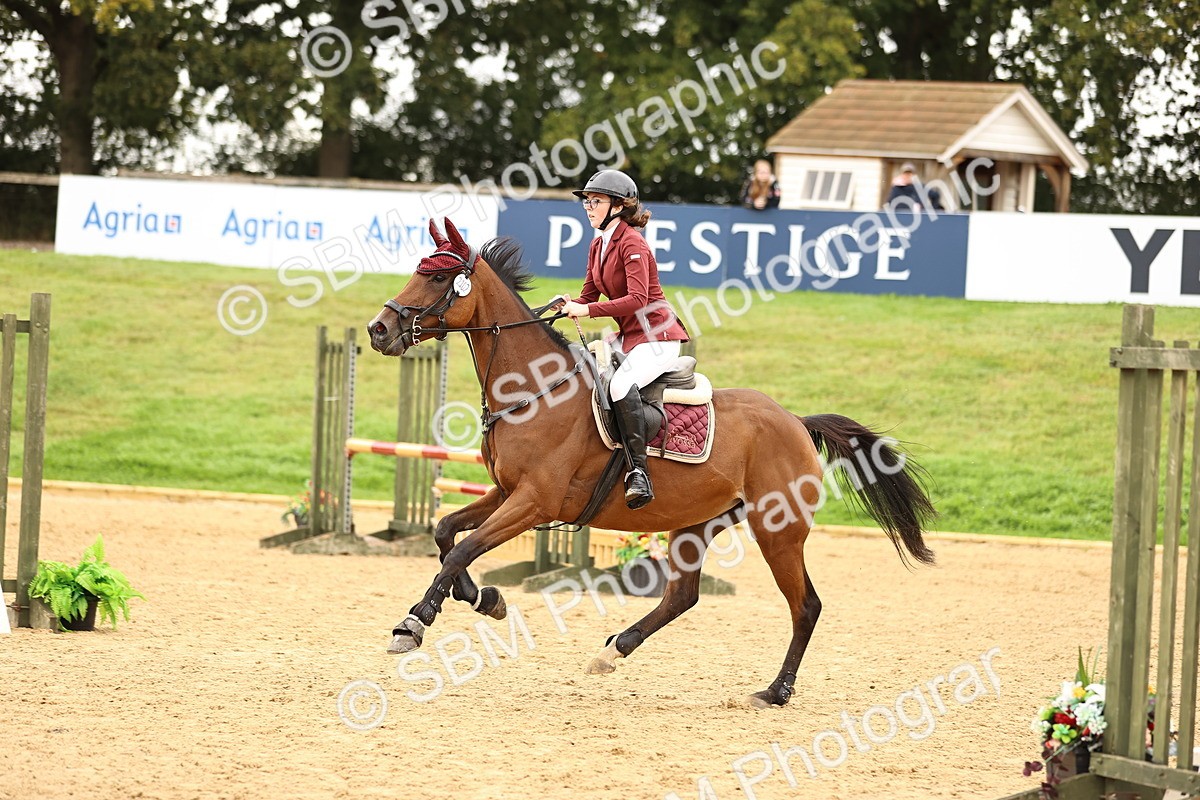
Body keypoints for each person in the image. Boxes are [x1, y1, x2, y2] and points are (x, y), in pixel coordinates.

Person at [556, 169, 690, 510]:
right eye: (587, 201)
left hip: (658, 336)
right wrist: (565, 307)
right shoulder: (597, 243)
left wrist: (587, 313)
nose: (588, 207)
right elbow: (588, 295)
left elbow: (638, 300)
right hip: (630, 337)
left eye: (595, 201)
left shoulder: (632, 243)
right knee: (585, 373)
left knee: (618, 386)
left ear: (618, 205)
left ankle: (638, 473)